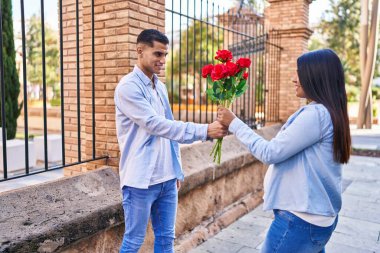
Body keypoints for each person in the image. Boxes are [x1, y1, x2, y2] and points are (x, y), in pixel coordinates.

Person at [217, 49, 351, 253]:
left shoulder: (316, 114)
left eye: (299, 72)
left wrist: (234, 123)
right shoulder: (331, 111)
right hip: (316, 218)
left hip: (301, 221)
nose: (293, 79)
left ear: (315, 76)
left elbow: (270, 153)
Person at [114, 29, 227, 253]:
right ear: (140, 50)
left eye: (165, 54)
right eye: (157, 54)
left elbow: (170, 128)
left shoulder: (160, 86)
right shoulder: (128, 87)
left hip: (167, 180)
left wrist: (176, 169)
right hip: (140, 182)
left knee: (166, 239)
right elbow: (157, 125)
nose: (163, 60)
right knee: (134, 241)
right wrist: (204, 130)